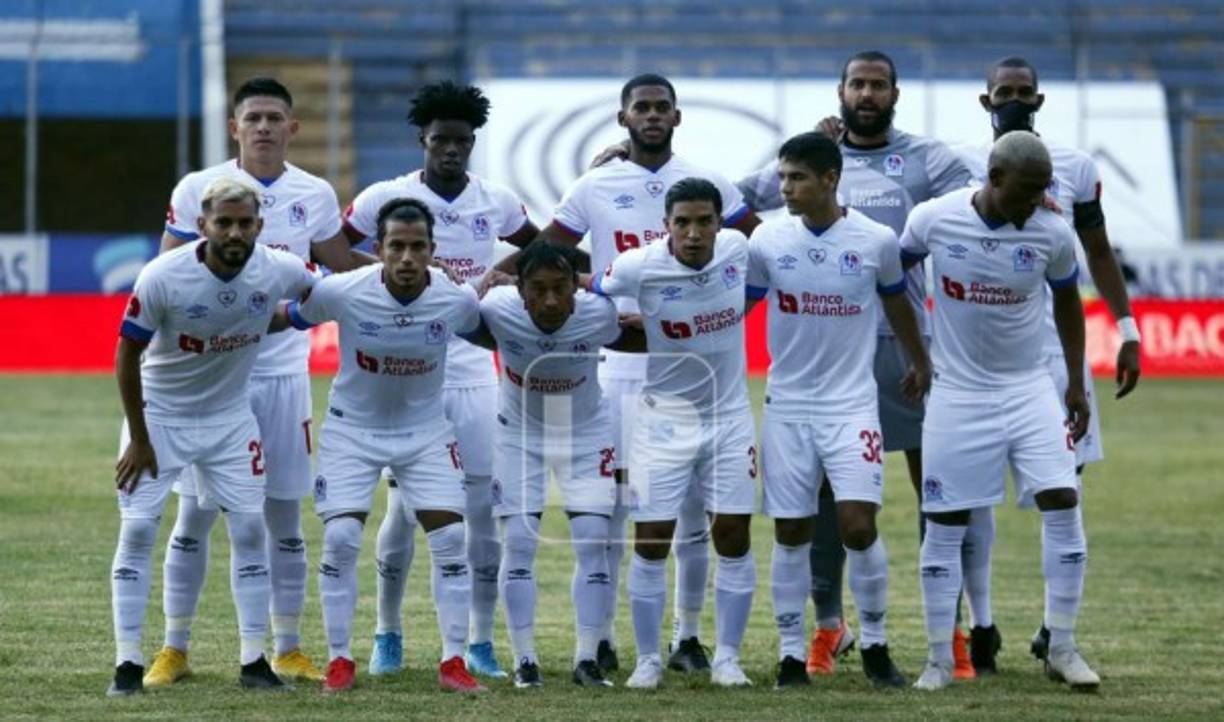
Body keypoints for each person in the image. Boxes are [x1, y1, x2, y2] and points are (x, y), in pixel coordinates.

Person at [737, 50, 976, 678]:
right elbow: (734, 204)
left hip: (893, 355)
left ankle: (944, 630)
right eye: (856, 84)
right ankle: (821, 630)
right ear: (840, 91)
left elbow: (985, 198)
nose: (866, 94)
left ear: (894, 93)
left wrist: (1043, 204)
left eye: (877, 85)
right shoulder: (785, 205)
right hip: (804, 382)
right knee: (807, 513)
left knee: (933, 487)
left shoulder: (924, 164)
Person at [145, 77, 369, 687]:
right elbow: (163, 276)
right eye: (255, 117)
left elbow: (341, 270)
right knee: (196, 514)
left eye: (276, 117)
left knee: (283, 516)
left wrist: (424, 278)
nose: (265, 127)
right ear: (235, 127)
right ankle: (175, 648)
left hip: (281, 373)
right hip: (214, 380)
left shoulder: (315, 193)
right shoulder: (199, 189)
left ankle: (288, 646)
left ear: (292, 128)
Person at [538, 73, 761, 674]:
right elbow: (553, 252)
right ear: (623, 117)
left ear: (677, 116)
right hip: (621, 373)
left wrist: (713, 317)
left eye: (663, 107)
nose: (653, 115)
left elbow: (757, 247)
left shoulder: (708, 185)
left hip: (696, 375)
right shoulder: (595, 181)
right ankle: (605, 640)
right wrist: (504, 277)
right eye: (643, 107)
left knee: (696, 516)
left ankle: (690, 639)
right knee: (618, 514)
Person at [341, 81, 539, 679]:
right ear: (422, 141)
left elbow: (546, 249)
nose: (451, 149)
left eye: (461, 140)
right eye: (440, 140)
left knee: (478, 508)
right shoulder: (385, 197)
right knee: (404, 509)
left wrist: (504, 277)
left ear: (472, 142)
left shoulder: (496, 201)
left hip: (475, 367)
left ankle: (479, 642)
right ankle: (387, 634)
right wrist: (385, 287)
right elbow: (334, 250)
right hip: (407, 366)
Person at [953, 56, 1141, 672]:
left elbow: (1098, 248)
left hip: (1055, 357)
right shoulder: (956, 163)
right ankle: (981, 626)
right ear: (986, 102)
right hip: (977, 358)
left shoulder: (1075, 167)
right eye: (1001, 92)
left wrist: (1128, 329)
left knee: (1065, 492)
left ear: (1040, 100)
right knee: (971, 495)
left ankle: (1054, 632)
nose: (1013, 99)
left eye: (1023, 92)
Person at [903, 132, 1099, 692]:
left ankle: (1061, 645)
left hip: (1028, 387)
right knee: (944, 523)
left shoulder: (1051, 232)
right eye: (1028, 189)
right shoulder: (935, 218)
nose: (1039, 199)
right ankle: (940, 658)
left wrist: (1077, 386)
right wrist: (917, 352)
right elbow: (893, 275)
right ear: (992, 178)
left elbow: (1067, 300)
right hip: (957, 392)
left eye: (1044, 189)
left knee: (1064, 499)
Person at [108, 177, 318, 696]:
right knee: (137, 532)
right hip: (161, 418)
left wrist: (288, 315)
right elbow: (126, 353)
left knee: (250, 531)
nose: (234, 231)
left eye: (245, 222)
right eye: (223, 222)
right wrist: (138, 437)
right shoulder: (162, 276)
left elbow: (321, 295)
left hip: (230, 420)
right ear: (202, 226)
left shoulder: (279, 268)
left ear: (259, 227)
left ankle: (254, 661)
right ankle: (127, 665)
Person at [278, 198, 485, 693]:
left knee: (453, 541)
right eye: (397, 247)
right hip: (353, 432)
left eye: (418, 247)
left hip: (427, 431)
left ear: (434, 251)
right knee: (342, 540)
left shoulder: (456, 301)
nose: (407, 257)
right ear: (380, 250)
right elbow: (289, 318)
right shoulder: (343, 291)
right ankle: (340, 660)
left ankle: (453, 661)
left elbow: (493, 334)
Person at [746, 132, 929, 688]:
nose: (785, 189)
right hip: (788, 407)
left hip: (852, 406)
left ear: (830, 178)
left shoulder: (875, 240)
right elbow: (742, 304)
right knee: (791, 531)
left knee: (857, 524)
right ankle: (788, 656)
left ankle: (875, 645)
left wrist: (919, 359)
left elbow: (897, 299)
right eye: (781, 178)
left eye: (797, 178)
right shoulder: (767, 242)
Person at [584, 178, 758, 689]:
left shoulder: (738, 250)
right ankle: (647, 661)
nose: (694, 232)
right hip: (663, 422)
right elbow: (594, 289)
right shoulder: (639, 265)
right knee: (652, 541)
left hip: (729, 418)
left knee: (731, 534)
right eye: (682, 222)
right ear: (666, 226)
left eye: (705, 221)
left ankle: (727, 658)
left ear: (720, 223)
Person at [461, 240, 645, 688]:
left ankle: (587, 659)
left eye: (559, 288)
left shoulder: (597, 312)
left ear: (574, 289)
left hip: (585, 432)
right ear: (518, 289)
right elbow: (462, 319)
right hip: (519, 435)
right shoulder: (498, 308)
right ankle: (526, 662)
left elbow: (639, 333)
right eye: (538, 290)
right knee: (519, 544)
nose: (549, 301)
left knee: (593, 540)